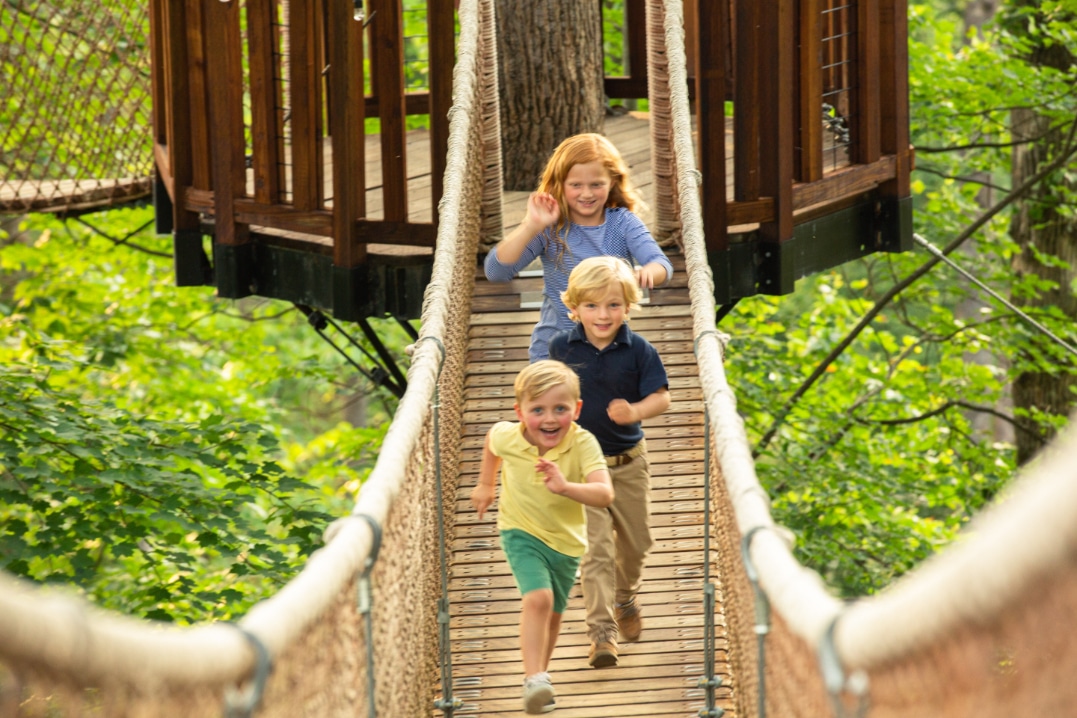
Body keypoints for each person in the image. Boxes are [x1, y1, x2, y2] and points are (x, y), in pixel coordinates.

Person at [470, 360, 614, 714]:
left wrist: (565, 487)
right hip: (519, 531)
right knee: (538, 599)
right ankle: (534, 678)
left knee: (552, 614)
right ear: (520, 412)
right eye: (538, 410)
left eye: (560, 409)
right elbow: (492, 439)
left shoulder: (583, 444)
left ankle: (540, 677)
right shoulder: (510, 435)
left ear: (576, 409)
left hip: (567, 543)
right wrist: (486, 484)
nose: (549, 419)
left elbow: (604, 494)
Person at [548, 256, 671, 669]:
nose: (603, 315)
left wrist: (635, 411)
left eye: (614, 305)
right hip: (583, 465)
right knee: (595, 552)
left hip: (629, 462)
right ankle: (602, 635)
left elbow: (663, 397)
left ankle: (625, 596)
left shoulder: (639, 350)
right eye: (593, 306)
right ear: (575, 308)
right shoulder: (561, 348)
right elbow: (549, 398)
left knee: (638, 544)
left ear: (629, 306)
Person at [484, 133, 674, 362]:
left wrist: (645, 273)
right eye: (576, 185)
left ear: (612, 181)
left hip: (607, 349)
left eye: (596, 184)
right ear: (560, 184)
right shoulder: (551, 228)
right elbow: (496, 272)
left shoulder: (622, 223)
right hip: (554, 350)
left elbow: (662, 265)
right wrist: (530, 226)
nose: (586, 193)